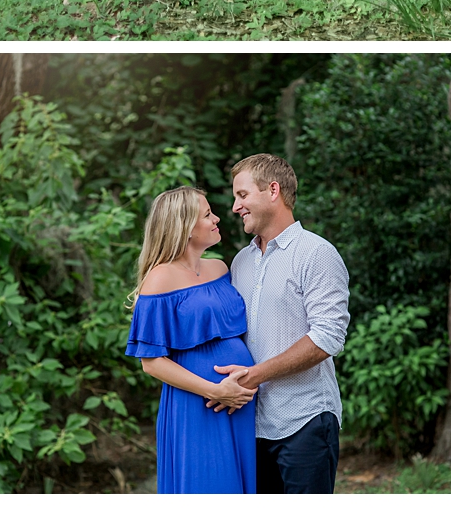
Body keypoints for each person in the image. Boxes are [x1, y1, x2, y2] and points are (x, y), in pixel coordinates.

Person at [216, 153, 350, 493]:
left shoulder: (316, 253)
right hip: (251, 424)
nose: (235, 207)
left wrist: (255, 375)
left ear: (272, 190)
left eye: (242, 195)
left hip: (304, 420)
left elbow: (327, 337)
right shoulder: (241, 261)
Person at [124, 185, 257, 494]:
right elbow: (152, 362)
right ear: (184, 227)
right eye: (208, 214)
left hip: (240, 402)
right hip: (201, 403)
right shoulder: (159, 279)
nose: (217, 218)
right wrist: (217, 390)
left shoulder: (221, 268)